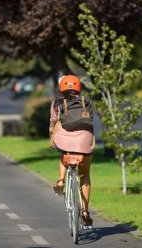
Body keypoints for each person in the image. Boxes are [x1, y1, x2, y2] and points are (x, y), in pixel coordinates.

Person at [49, 74, 95, 228]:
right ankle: (85, 212)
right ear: (78, 87)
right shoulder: (86, 101)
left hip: (65, 141)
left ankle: (61, 180)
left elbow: (53, 122)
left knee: (64, 151)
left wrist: (51, 135)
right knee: (85, 174)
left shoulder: (57, 103)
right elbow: (90, 120)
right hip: (84, 141)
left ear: (62, 88)